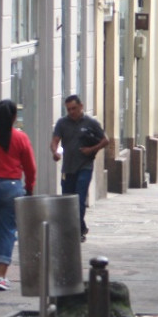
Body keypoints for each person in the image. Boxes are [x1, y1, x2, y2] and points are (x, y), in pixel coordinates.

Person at [51, 94, 109, 242]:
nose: (71, 112)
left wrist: (92, 150)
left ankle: (76, 232)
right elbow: (55, 141)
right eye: (68, 109)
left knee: (79, 198)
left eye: (74, 108)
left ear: (81, 106)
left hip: (85, 166)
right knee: (68, 200)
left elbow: (105, 140)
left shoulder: (91, 123)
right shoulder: (62, 123)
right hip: (68, 168)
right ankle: (80, 226)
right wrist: (55, 152)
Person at [0, 99, 36, 291]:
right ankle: (0, 276)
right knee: (7, 230)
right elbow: (30, 167)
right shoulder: (20, 138)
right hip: (11, 188)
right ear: (13, 117)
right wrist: (29, 188)